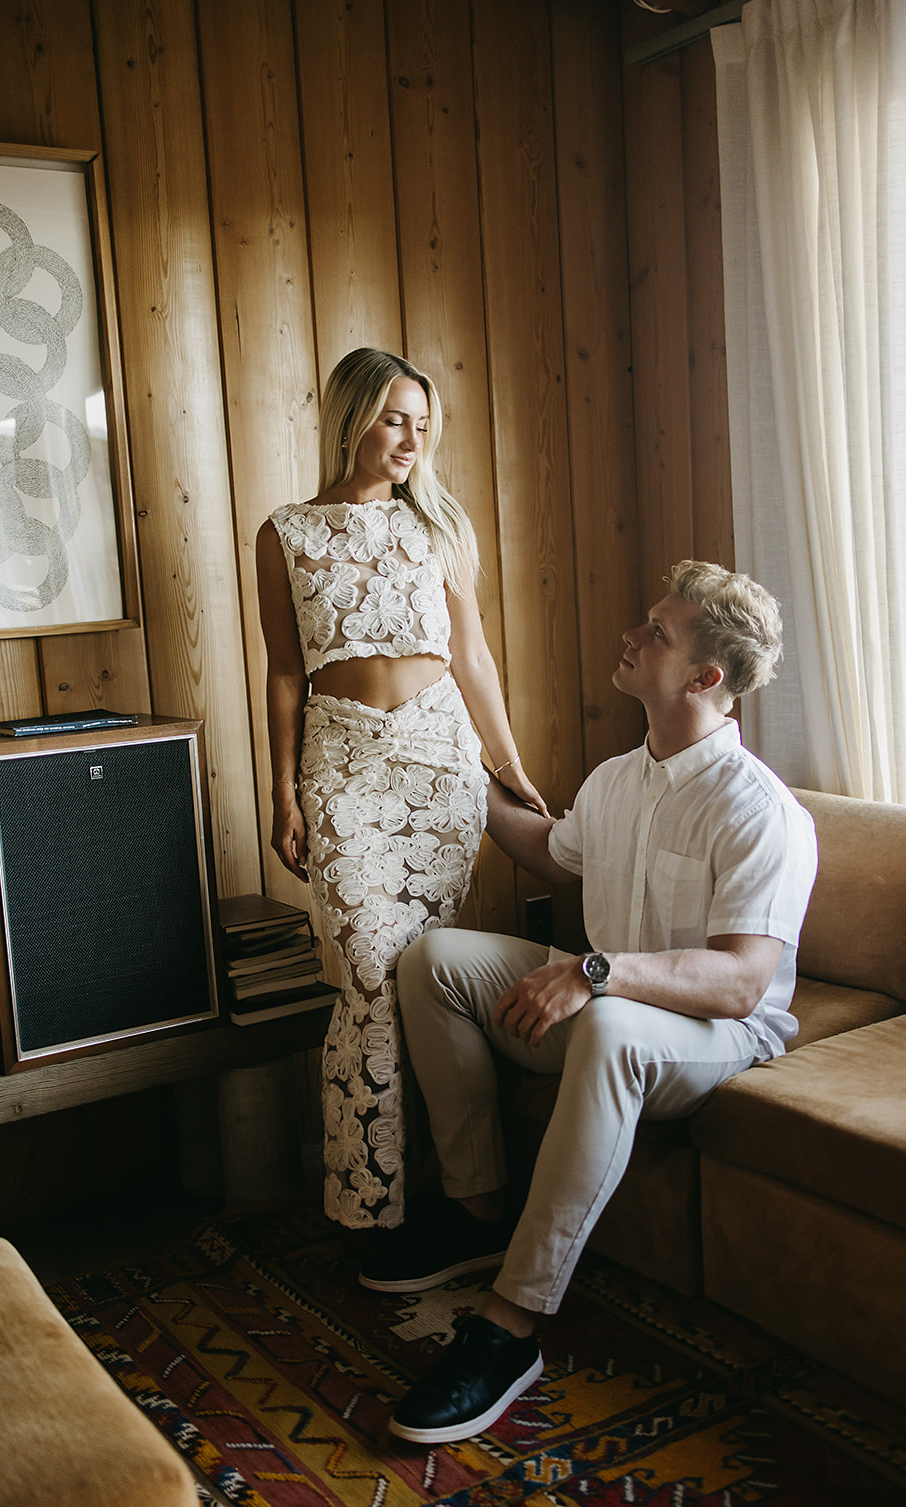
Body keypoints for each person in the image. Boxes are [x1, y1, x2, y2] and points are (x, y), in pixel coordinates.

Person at [362, 560, 819, 1444]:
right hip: (605, 1010)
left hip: (713, 1040)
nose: (630, 636)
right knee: (435, 960)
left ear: (702, 677)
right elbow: (554, 850)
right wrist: (462, 770)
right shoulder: (618, 777)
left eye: (656, 631)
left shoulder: (761, 810)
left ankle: (510, 1325)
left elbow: (738, 983)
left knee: (607, 1017)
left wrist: (591, 973)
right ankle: (476, 1209)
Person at [255, 347, 547, 1234]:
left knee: (421, 976)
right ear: (352, 418)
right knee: (367, 975)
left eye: (423, 425)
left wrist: (509, 765)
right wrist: (283, 792)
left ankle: (453, 1191)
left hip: (435, 764)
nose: (410, 439)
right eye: (393, 419)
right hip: (340, 765)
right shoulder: (287, 533)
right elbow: (280, 672)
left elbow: (473, 659)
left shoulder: (439, 528)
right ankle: (370, 1203)